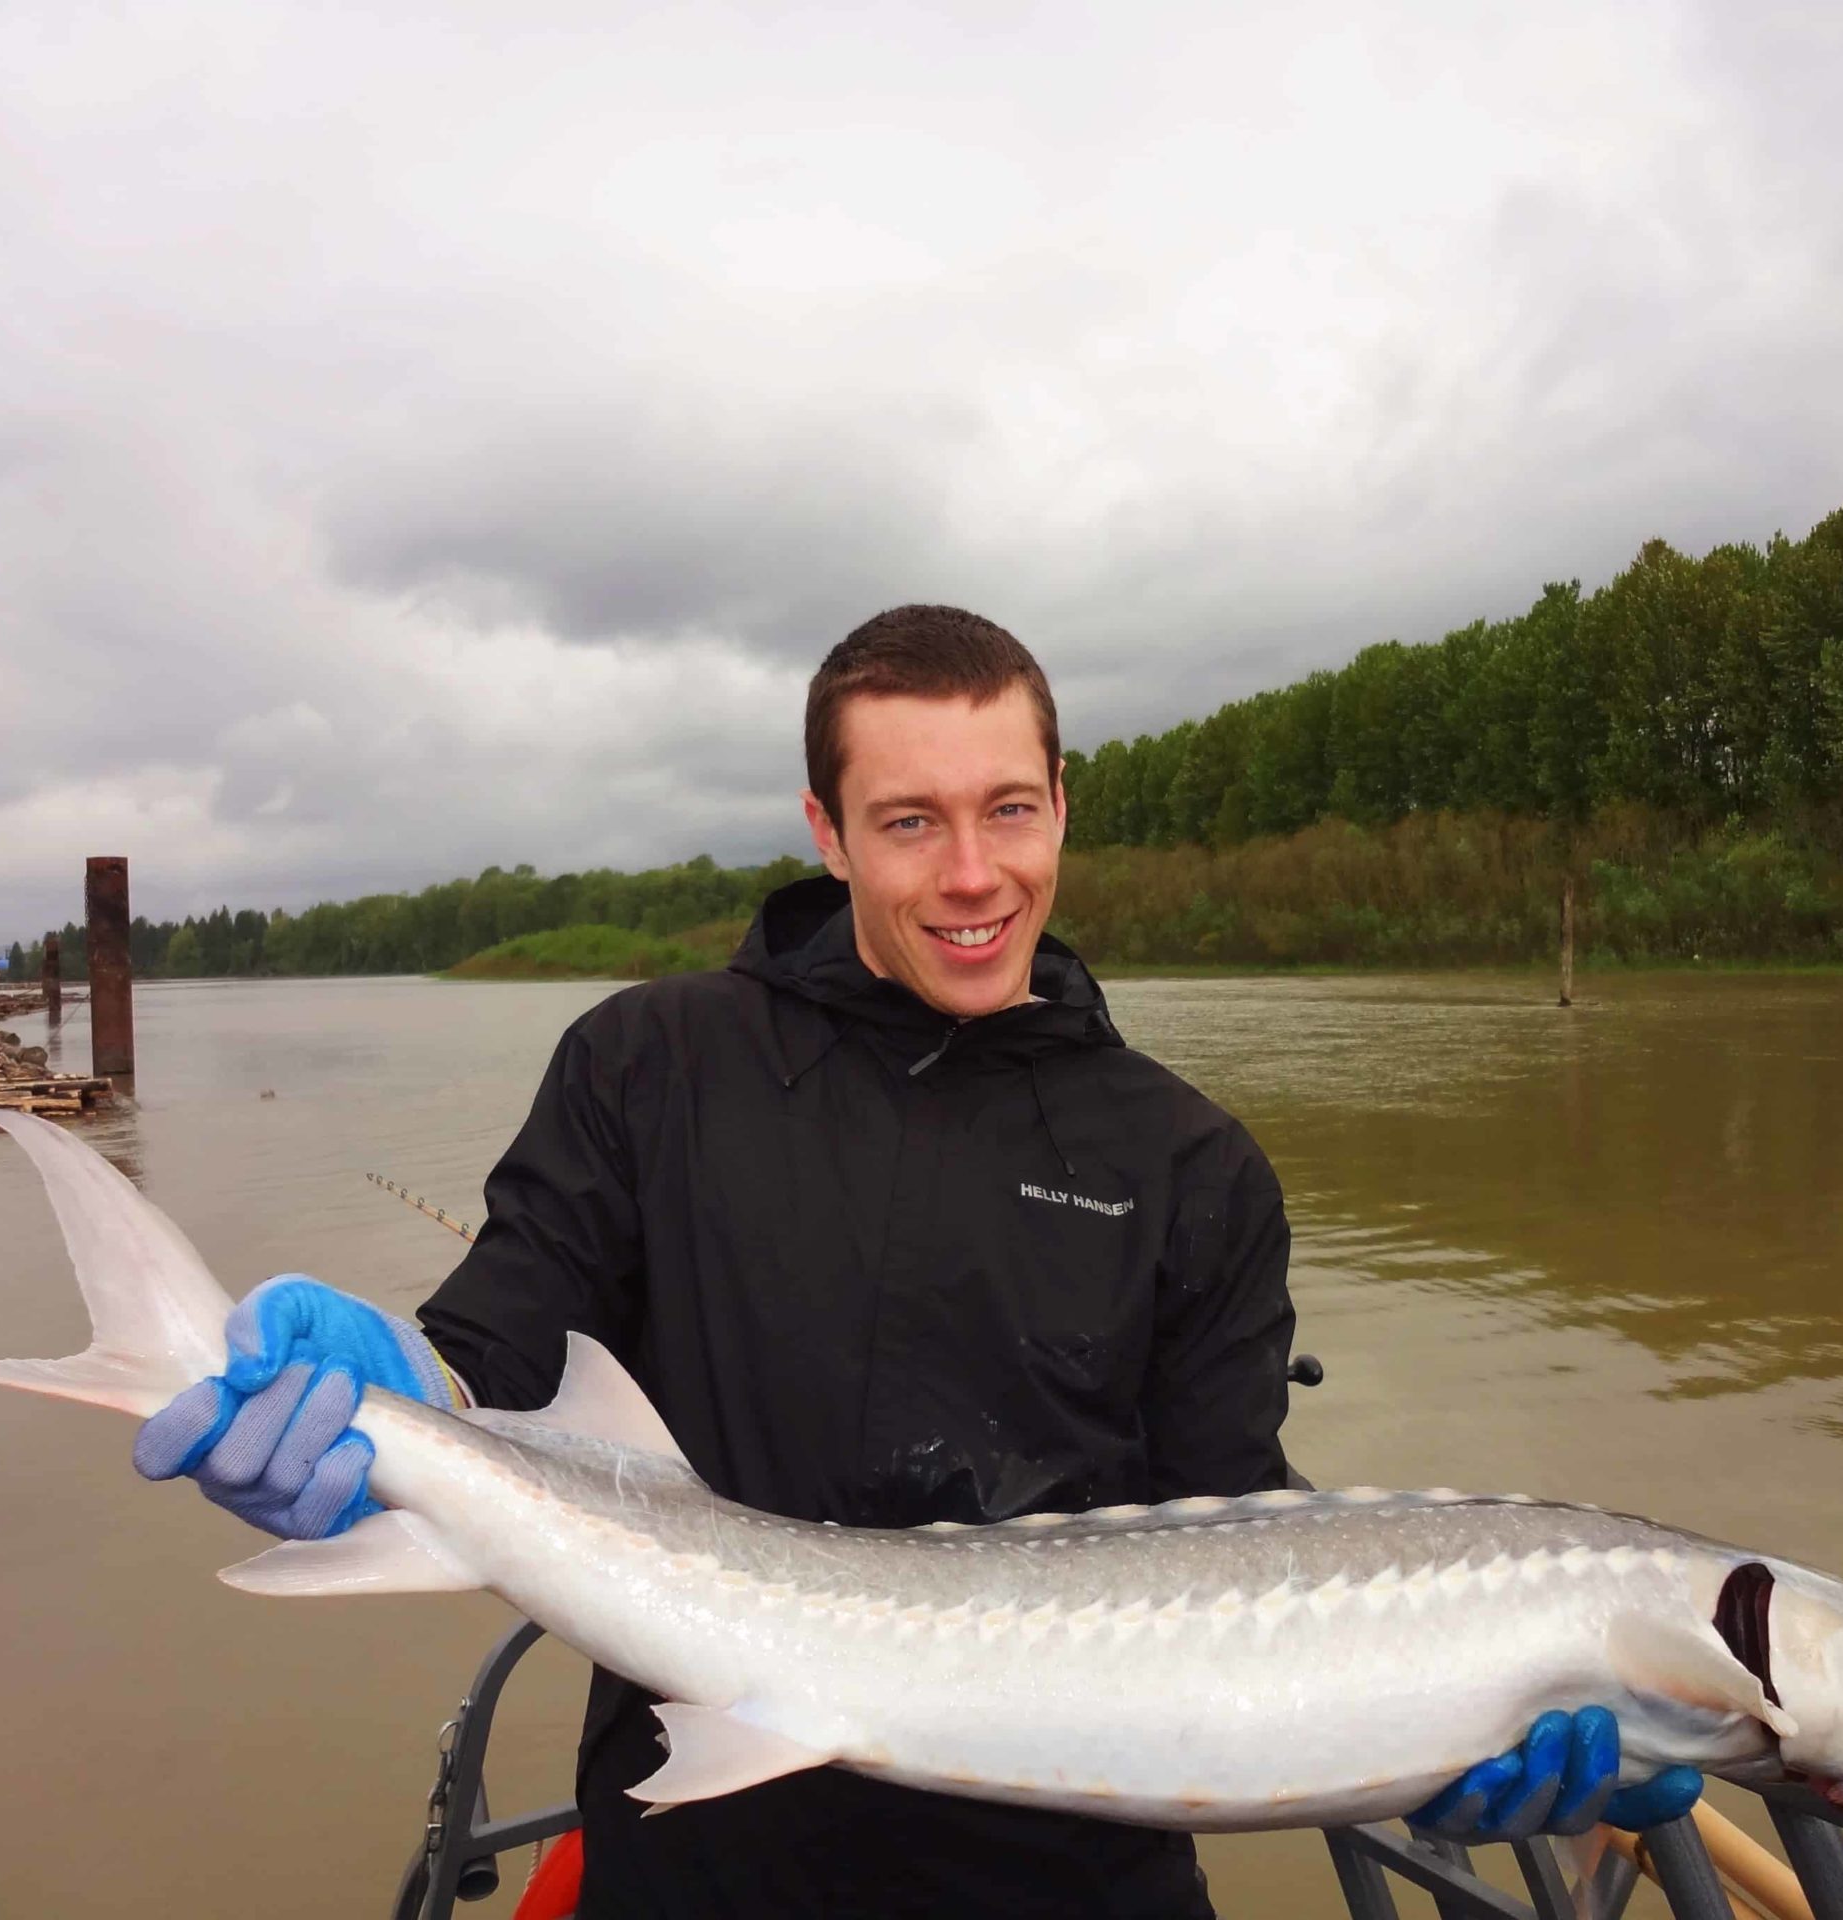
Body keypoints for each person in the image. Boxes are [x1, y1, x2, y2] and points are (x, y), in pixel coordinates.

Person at [133, 606, 1699, 1916]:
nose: (973, 877)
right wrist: (391, 1398)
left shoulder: (1191, 1164)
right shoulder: (650, 1062)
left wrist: (1447, 1722)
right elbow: (497, 1350)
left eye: (1010, 810)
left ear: (1065, 802)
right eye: (910, 821)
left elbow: (1239, 1518)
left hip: (1078, 1887)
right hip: (702, 1855)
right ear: (825, 828)